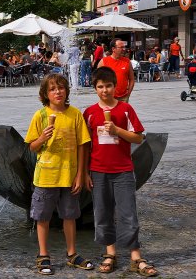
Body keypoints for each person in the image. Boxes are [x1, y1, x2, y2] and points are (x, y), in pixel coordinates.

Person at [83, 66, 158, 277]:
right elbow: (86, 145)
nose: (105, 90)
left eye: (108, 86)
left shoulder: (125, 109)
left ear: (116, 87)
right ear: (95, 88)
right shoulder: (89, 113)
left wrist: (117, 131)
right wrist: (85, 172)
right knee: (102, 213)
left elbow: (138, 137)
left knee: (128, 214)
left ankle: (136, 256)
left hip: (123, 170)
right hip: (98, 170)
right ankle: (110, 253)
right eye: (100, 87)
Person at [25, 73, 94, 276]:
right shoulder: (40, 115)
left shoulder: (74, 114)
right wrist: (42, 138)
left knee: (70, 215)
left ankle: (72, 253)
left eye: (61, 88)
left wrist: (81, 174)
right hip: (46, 177)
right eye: (53, 89)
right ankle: (43, 254)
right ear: (46, 94)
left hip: (69, 176)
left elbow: (83, 145)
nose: (58, 92)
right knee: (43, 216)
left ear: (67, 91)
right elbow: (32, 147)